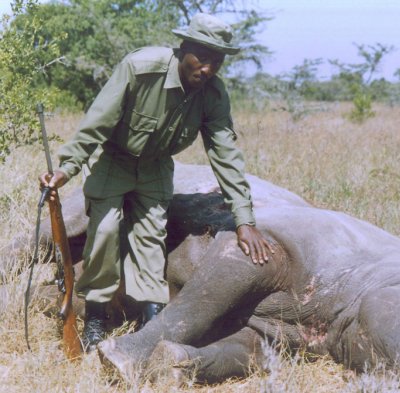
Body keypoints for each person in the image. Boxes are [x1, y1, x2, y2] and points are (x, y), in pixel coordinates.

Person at [39, 13, 274, 351]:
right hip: (115, 162)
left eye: (216, 62)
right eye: (202, 57)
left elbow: (225, 154)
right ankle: (94, 318)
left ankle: (151, 324)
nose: (207, 69)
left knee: (150, 241)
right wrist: (69, 166)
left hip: (157, 170)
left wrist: (245, 219)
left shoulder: (213, 94)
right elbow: (97, 121)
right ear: (183, 49)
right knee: (104, 233)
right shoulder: (141, 68)